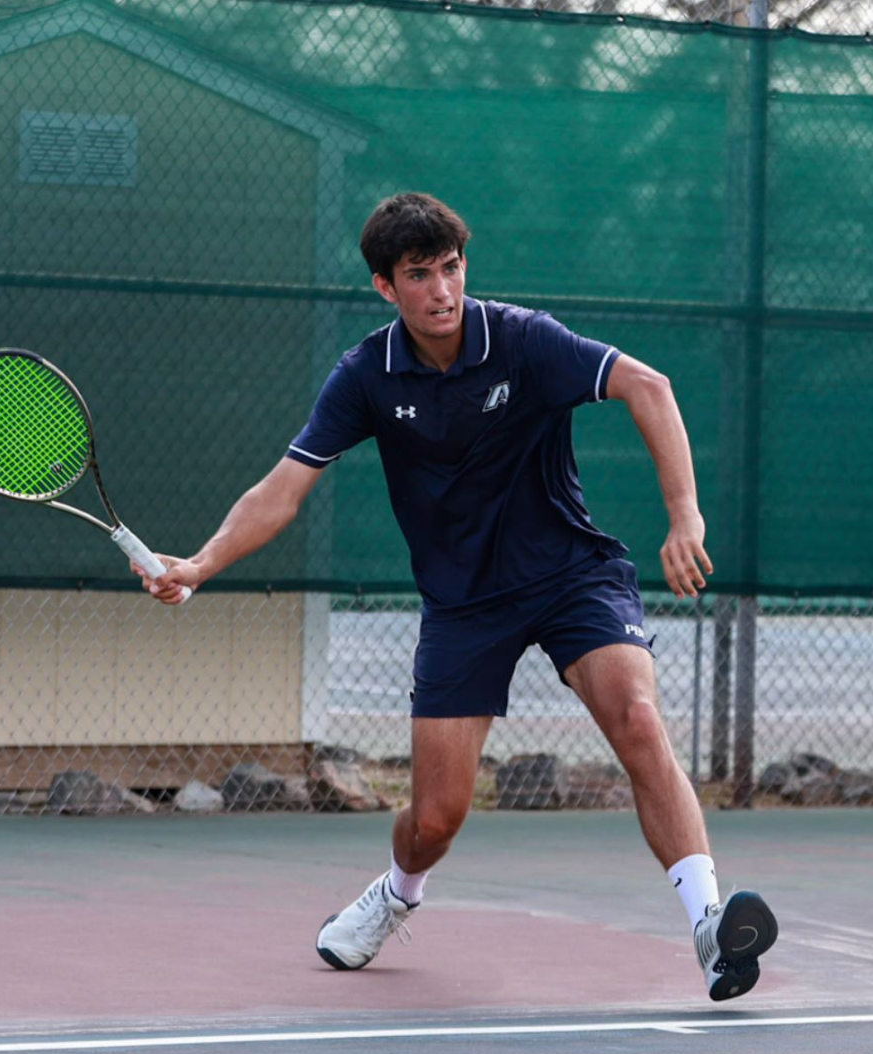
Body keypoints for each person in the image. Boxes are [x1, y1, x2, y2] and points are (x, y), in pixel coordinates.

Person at [134, 192, 777, 1000]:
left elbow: (649, 386)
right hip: (464, 604)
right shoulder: (368, 375)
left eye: (451, 268)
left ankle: (711, 930)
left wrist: (684, 515)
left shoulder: (521, 339)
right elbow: (283, 490)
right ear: (384, 287)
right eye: (419, 275)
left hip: (570, 574)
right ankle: (399, 891)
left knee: (638, 717)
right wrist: (198, 562)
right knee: (436, 819)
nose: (442, 289)